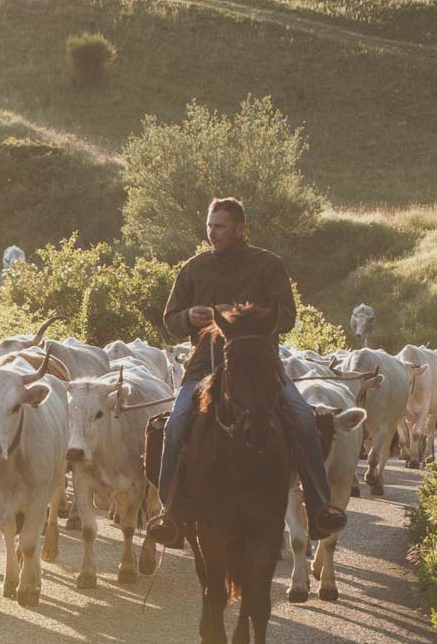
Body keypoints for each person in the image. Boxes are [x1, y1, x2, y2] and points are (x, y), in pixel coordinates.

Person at [147, 197, 348, 546]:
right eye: (210, 225)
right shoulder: (194, 268)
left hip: (258, 367)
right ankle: (171, 513)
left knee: (302, 416)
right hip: (204, 366)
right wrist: (188, 316)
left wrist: (239, 314)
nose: (213, 233)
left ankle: (319, 506)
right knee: (176, 424)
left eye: (220, 226)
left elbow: (286, 316)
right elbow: (170, 319)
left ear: (240, 228)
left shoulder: (268, 265)